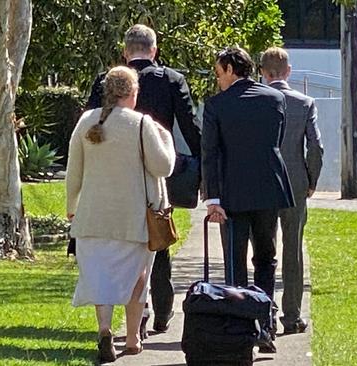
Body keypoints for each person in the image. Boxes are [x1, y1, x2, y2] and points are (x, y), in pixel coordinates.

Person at [87, 24, 201, 337]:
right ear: (154, 49)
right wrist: (204, 164)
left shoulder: (105, 81)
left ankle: (130, 315)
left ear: (125, 51)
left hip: (115, 171)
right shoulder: (171, 80)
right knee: (157, 238)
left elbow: (90, 125)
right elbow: (190, 126)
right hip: (156, 169)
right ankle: (161, 312)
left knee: (119, 246)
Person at [67, 66, 176, 363]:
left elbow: (74, 170)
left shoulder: (86, 121)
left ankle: (104, 329)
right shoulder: (142, 124)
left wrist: (71, 206)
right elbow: (163, 167)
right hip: (134, 218)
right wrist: (165, 138)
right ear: (133, 92)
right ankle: (132, 338)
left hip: (92, 216)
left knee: (100, 277)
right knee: (137, 278)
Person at [202, 46, 295, 353]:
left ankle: (241, 327)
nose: (218, 80)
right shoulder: (275, 99)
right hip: (268, 188)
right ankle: (265, 323)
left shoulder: (217, 105)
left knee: (235, 262)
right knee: (266, 258)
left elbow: (210, 154)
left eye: (219, 73)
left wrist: (212, 197)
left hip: (231, 193)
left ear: (230, 69)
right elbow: (276, 141)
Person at [260, 47, 323, 335]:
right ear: (288, 71)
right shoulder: (305, 103)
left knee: (263, 250)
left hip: (263, 182)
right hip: (295, 181)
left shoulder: (256, 101)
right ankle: (292, 314)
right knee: (293, 250)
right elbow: (315, 147)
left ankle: (265, 311)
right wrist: (311, 179)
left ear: (262, 72)